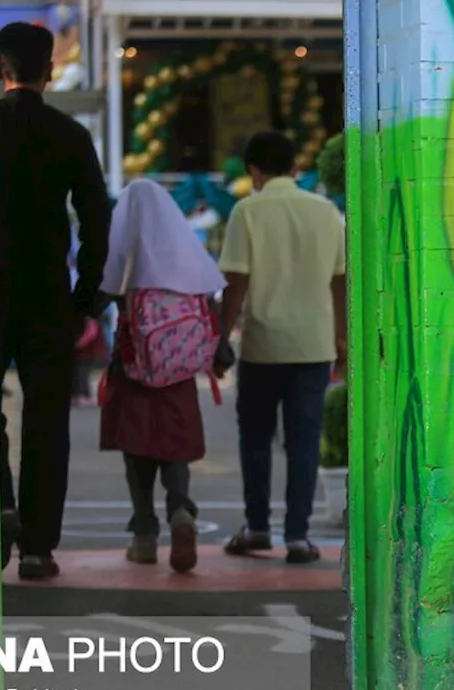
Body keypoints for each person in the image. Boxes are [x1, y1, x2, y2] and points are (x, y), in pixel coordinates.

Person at [0, 22, 110, 579]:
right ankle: (38, 548)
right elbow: (96, 218)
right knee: (47, 421)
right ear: (49, 71)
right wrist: (86, 295)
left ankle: (0, 506)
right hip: (48, 297)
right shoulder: (69, 135)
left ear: (0, 69)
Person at [215, 131, 346, 564]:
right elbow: (340, 282)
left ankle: (256, 528)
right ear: (295, 167)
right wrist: (342, 338)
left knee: (255, 438)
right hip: (314, 346)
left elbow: (235, 282)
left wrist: (220, 339)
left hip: (261, 347)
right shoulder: (327, 213)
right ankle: (297, 537)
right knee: (304, 442)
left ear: (254, 170)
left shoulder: (247, 211)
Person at [98, 179, 226, 572]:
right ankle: (181, 512)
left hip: (134, 365)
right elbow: (209, 303)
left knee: (137, 449)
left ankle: (145, 536)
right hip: (179, 370)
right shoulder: (185, 252)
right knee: (174, 447)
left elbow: (100, 295)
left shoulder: (125, 253)